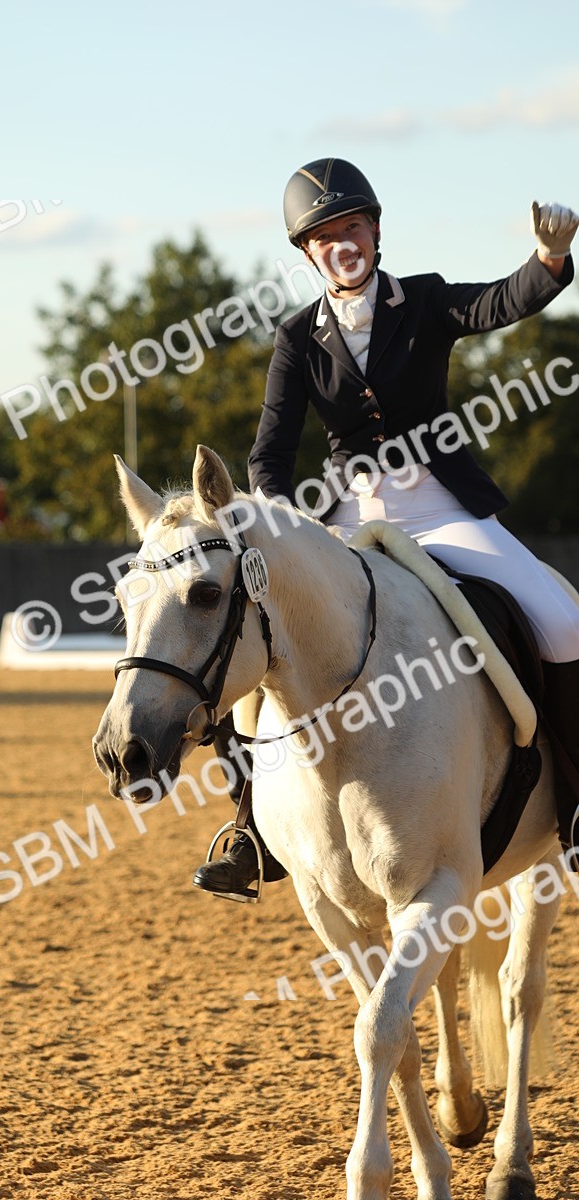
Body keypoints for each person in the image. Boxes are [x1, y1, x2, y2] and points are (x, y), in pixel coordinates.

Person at [194, 156, 579, 900]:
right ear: (308, 254)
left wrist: (550, 259)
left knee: (564, 623)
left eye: (353, 227)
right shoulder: (297, 339)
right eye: (325, 237)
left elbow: (500, 303)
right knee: (250, 648)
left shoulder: (426, 302)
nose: (343, 244)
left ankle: (577, 805)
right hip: (346, 517)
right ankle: (247, 830)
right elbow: (270, 452)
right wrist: (278, 523)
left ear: (375, 230)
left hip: (440, 509)